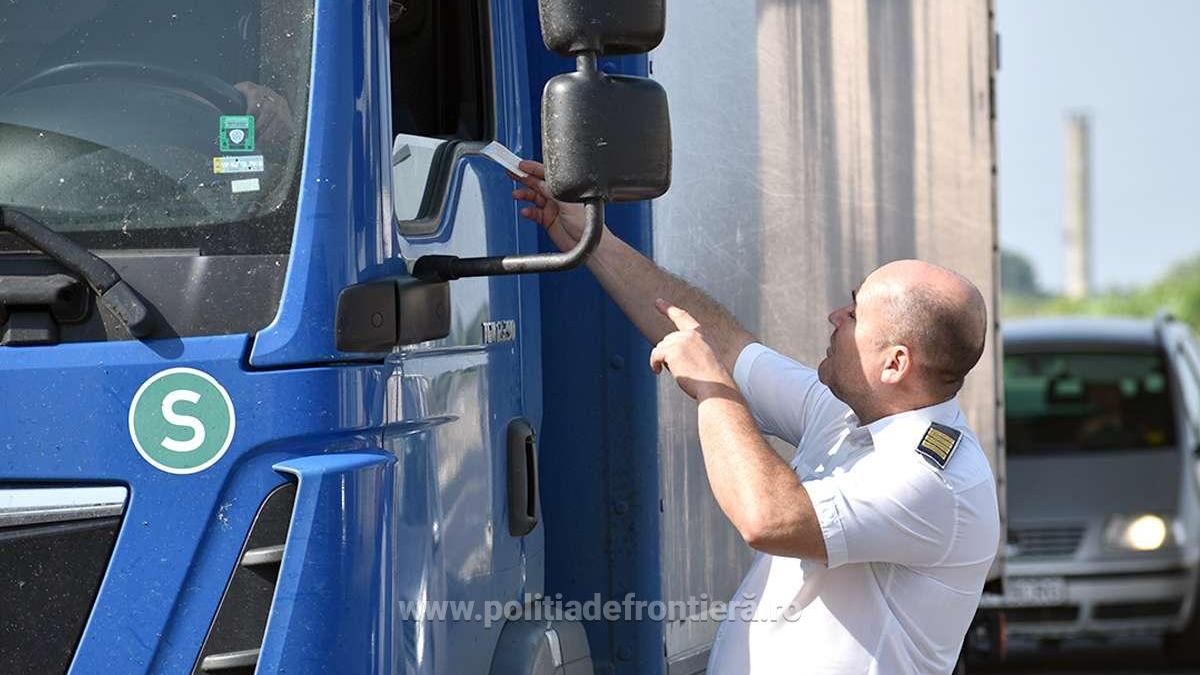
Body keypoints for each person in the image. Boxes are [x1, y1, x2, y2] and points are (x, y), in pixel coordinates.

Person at [511, 161, 1000, 675]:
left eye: (854, 314)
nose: (836, 317)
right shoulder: (848, 415)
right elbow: (725, 344)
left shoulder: (932, 478)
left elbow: (770, 519)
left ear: (895, 363)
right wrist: (589, 238)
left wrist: (711, 389)